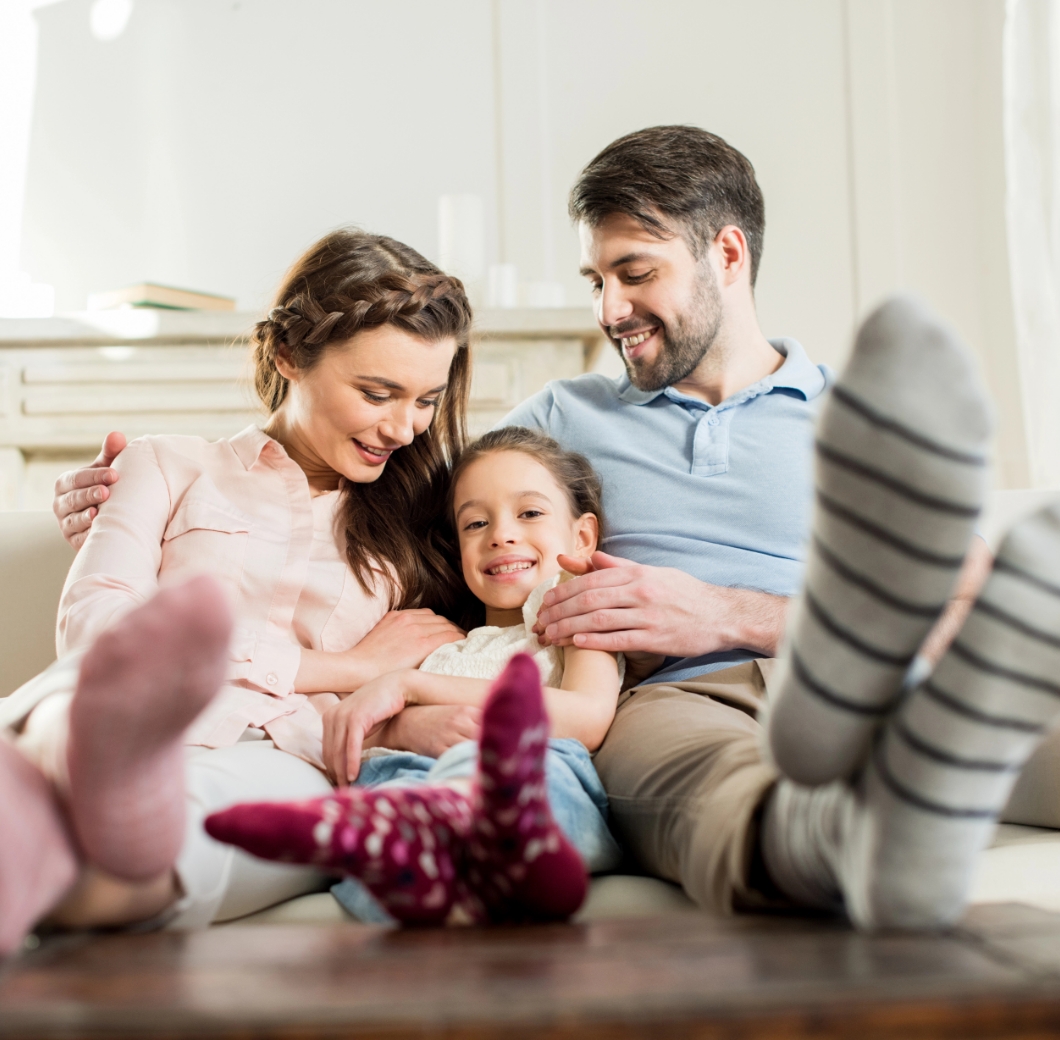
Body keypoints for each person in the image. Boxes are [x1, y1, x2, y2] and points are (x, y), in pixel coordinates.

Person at [52, 126, 1058, 931]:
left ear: (728, 253)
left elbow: (970, 597)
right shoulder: (554, 423)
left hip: (875, 667)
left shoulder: (859, 417)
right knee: (725, 795)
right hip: (678, 698)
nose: (610, 309)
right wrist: (138, 494)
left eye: (635, 272)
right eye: (595, 281)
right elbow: (386, 477)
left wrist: (734, 612)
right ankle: (847, 844)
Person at [0, 228, 585, 953]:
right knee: (73, 714)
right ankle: (67, 768)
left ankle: (69, 839)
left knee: (181, 835)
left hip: (284, 753)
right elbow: (97, 631)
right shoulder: (164, 465)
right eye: (377, 393)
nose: (404, 428)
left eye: (426, 401)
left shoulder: (432, 523)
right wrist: (347, 666)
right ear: (287, 355)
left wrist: (395, 716)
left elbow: (492, 630)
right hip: (113, 710)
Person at [204, 426, 624, 924]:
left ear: (582, 536)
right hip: (404, 777)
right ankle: (420, 859)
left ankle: (494, 847)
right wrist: (388, 708)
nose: (501, 535)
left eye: (529, 513)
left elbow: (587, 716)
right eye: (475, 523)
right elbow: (354, 733)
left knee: (513, 780)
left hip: (530, 772)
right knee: (392, 798)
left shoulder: (572, 613)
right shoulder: (431, 639)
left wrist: (410, 686)